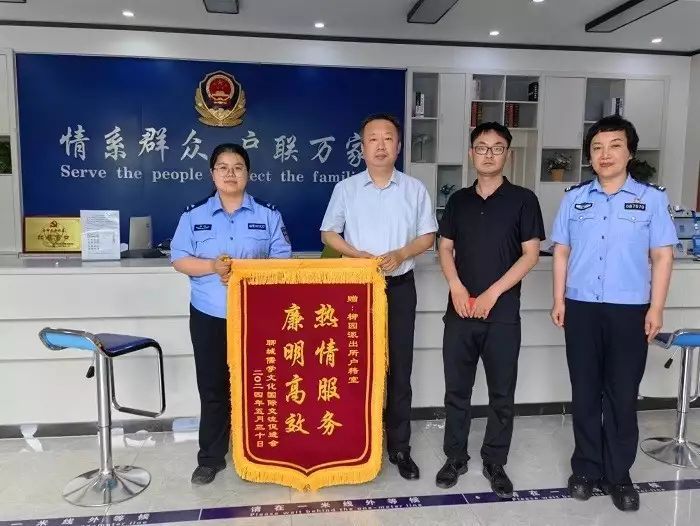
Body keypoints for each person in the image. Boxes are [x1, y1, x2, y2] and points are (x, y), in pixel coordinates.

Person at [550, 115, 677, 512]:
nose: (605, 154)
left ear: (630, 152)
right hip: (581, 307)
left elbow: (662, 256)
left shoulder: (652, 200)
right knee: (585, 391)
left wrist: (656, 307)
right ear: (590, 156)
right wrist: (559, 299)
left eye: (614, 146)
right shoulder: (574, 199)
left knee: (621, 395)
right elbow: (561, 252)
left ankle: (619, 474)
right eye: (597, 148)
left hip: (629, 311)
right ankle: (586, 469)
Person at [320, 113, 437, 480]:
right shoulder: (346, 189)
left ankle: (399, 447)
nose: (381, 145)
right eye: (373, 138)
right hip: (356, 291)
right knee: (355, 367)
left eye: (388, 138)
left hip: (400, 289)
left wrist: (401, 253)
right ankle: (354, 440)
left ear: (398, 147)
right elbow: (328, 233)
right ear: (362, 147)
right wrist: (355, 255)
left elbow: (428, 236)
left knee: (399, 369)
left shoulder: (414, 189)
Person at [171, 143, 292, 485]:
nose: (230, 173)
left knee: (259, 383)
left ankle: (260, 451)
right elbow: (179, 259)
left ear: (248, 174)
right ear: (212, 174)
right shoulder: (193, 216)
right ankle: (211, 458)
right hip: (209, 314)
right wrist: (212, 266)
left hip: (257, 314)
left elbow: (283, 260)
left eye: (237, 167)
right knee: (213, 386)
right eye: (222, 167)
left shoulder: (268, 215)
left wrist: (247, 273)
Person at [436, 122, 544, 497]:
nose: (488, 154)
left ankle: (495, 461)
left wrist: (492, 293)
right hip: (460, 312)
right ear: (472, 153)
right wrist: (456, 286)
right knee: (457, 392)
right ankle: (455, 457)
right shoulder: (458, 201)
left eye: (497, 148)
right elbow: (444, 247)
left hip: (502, 316)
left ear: (507, 155)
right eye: (481, 147)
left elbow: (531, 255)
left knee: (501, 394)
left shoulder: (524, 200)